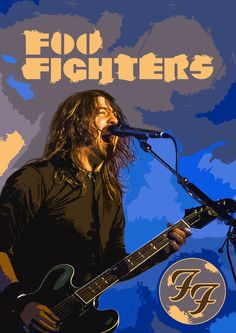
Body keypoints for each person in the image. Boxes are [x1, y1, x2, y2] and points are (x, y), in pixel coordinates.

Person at [0, 89, 190, 333]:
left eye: (115, 115)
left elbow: (114, 266)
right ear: (76, 124)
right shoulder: (36, 178)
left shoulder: (110, 195)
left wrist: (162, 251)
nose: (115, 121)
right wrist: (21, 303)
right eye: (103, 113)